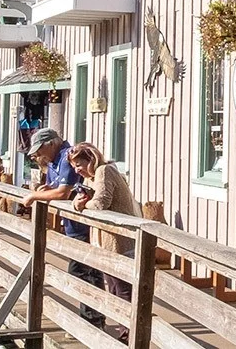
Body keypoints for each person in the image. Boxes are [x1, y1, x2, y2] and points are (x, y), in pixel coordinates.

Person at [22, 128, 106, 327]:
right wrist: (46, 189)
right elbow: (56, 188)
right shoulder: (53, 162)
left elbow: (63, 192)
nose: (38, 155)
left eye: (40, 149)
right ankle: (90, 318)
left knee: (84, 272)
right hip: (71, 227)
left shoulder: (67, 156)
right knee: (81, 271)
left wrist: (33, 196)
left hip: (84, 227)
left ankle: (93, 320)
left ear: (51, 143)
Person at [69, 142, 140, 340]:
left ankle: (129, 336)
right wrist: (78, 202)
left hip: (120, 242)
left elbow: (101, 203)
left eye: (79, 164)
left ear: (90, 159)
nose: (77, 169)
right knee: (114, 288)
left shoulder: (104, 171)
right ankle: (125, 333)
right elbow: (85, 199)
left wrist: (82, 205)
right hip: (106, 243)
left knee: (123, 290)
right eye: (74, 166)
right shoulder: (92, 177)